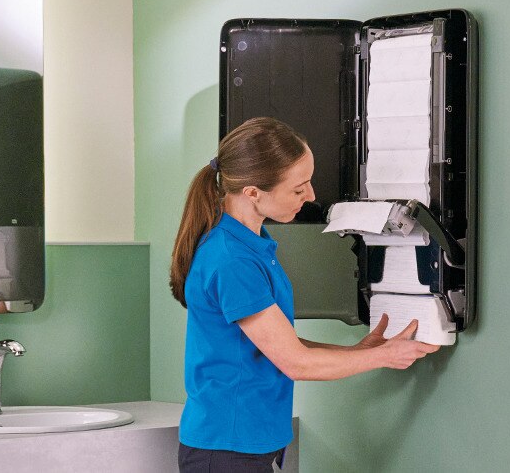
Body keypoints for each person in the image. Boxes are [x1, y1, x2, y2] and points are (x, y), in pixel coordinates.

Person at [170, 117, 439, 472]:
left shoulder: (250, 245)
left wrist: (356, 352)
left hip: (246, 444)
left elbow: (281, 345)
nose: (311, 195)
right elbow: (294, 361)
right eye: (299, 189)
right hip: (226, 449)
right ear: (253, 193)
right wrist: (385, 356)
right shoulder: (232, 259)